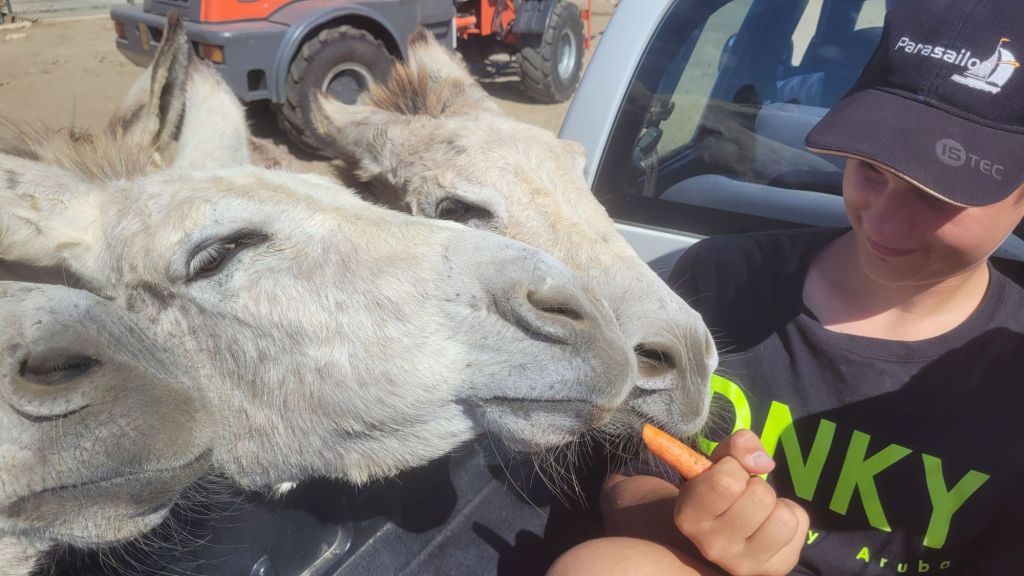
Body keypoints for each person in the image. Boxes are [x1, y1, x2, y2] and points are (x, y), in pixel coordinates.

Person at [547, 0, 1024, 574]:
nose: (884, 223)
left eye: (939, 193)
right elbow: (626, 474)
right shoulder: (717, 281)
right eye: (871, 168)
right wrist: (687, 519)